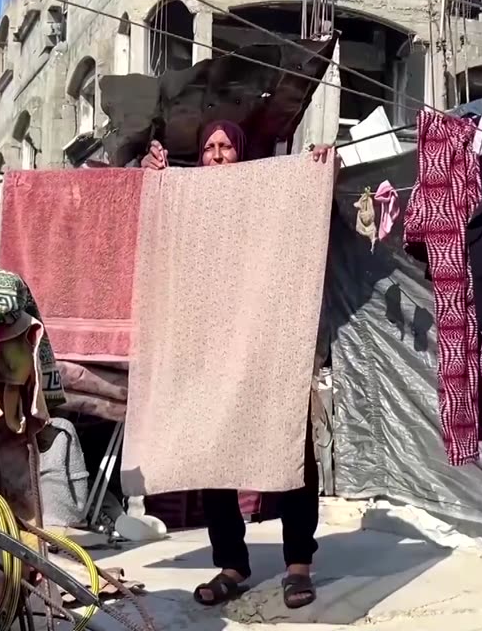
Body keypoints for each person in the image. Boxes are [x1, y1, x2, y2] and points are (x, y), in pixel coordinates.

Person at [140, 119, 335, 610]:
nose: (218, 155)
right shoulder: (187, 202)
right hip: (208, 347)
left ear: (241, 154)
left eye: (227, 146)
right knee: (213, 450)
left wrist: (316, 167)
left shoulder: (264, 198)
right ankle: (232, 564)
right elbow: (154, 225)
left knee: (292, 445)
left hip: (268, 341)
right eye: (208, 147)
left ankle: (298, 563)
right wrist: (155, 178)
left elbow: (303, 212)